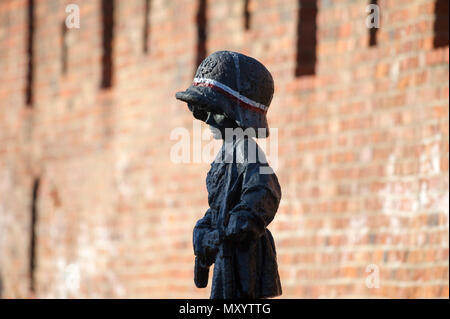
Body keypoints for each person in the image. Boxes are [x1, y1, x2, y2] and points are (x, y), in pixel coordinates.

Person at [175, 51, 282, 299]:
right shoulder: (225, 154)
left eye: (213, 110)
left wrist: (234, 227)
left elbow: (264, 192)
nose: (206, 119)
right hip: (227, 259)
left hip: (245, 261)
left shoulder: (246, 150)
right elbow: (217, 206)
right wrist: (203, 230)